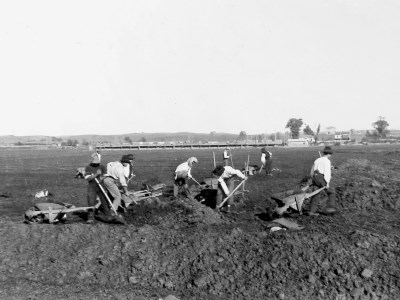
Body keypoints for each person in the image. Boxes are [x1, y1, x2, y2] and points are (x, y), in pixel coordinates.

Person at [309, 146, 337, 216]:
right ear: (329, 154)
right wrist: (327, 183)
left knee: (315, 194)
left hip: (315, 178)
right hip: (321, 178)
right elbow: (327, 173)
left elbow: (313, 170)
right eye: (330, 154)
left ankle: (312, 211)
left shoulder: (317, 160)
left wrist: (313, 179)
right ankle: (330, 209)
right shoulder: (327, 161)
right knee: (332, 192)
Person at [83, 153, 107, 223]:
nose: (96, 164)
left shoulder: (102, 167)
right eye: (95, 163)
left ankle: (107, 215)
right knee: (91, 202)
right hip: (92, 186)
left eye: (97, 163)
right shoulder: (88, 167)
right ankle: (90, 218)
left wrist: (101, 178)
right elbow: (88, 178)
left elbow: (105, 175)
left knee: (104, 201)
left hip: (101, 185)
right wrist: (96, 174)